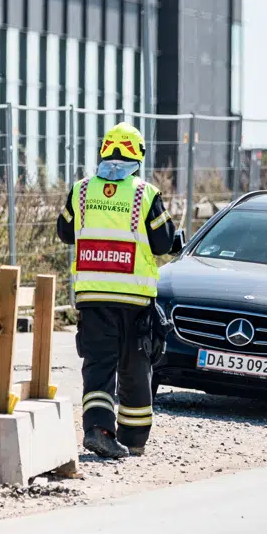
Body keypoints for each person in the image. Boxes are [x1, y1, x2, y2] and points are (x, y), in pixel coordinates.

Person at [56, 122, 182, 459]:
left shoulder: (81, 190)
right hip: (135, 301)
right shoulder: (145, 194)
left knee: (98, 365)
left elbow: (65, 233)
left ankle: (98, 430)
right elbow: (163, 242)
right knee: (136, 366)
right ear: (138, 154)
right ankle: (135, 438)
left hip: (93, 296)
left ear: (104, 150)